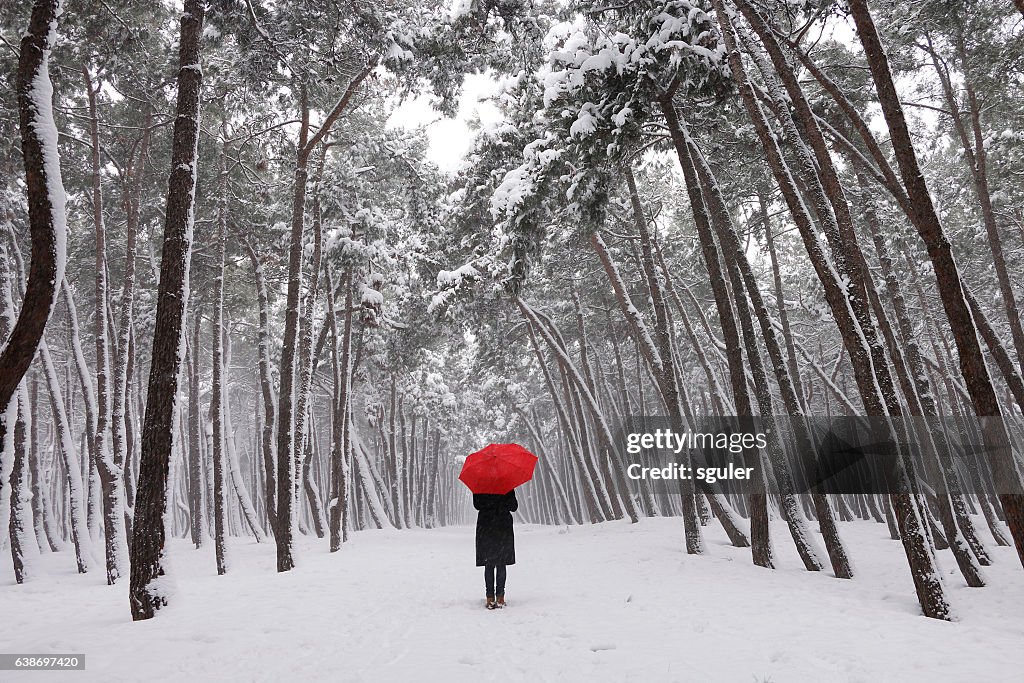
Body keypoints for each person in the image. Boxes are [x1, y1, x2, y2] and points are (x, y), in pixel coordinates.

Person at [473, 489, 518, 609]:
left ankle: (489, 597)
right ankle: (500, 597)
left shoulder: (481, 484)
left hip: (486, 526)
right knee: (501, 562)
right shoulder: (506, 484)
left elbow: (477, 505)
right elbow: (513, 507)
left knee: (489, 562)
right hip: (502, 525)